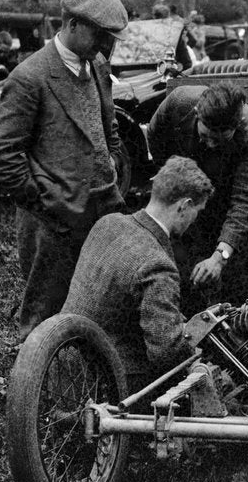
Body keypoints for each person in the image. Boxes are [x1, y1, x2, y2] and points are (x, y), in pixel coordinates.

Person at [0, 0, 129, 340]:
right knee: (44, 316)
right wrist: (46, 202)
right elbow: (1, 158)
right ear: (71, 24)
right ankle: (36, 384)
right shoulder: (29, 77)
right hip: (55, 219)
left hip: (103, 207)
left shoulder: (96, 66)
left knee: (101, 302)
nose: (105, 46)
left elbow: (108, 124)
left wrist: (110, 162)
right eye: (100, 34)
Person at [60, 155, 214, 387]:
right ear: (185, 206)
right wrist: (195, 354)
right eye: (198, 212)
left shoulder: (108, 223)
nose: (195, 220)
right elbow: (165, 354)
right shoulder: (157, 265)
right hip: (107, 384)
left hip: (62, 365)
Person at [146, 81, 248, 312]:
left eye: (219, 140)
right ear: (197, 115)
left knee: (237, 277)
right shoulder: (179, 102)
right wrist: (174, 177)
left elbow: (247, 203)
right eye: (206, 136)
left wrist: (220, 256)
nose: (210, 144)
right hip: (194, 187)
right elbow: (155, 135)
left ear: (236, 127)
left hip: (235, 193)